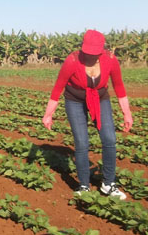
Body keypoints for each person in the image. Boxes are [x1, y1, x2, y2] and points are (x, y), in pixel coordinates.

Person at [42, 30, 132, 200]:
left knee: (109, 138)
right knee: (82, 142)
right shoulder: (73, 60)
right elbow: (58, 88)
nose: (90, 56)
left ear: (101, 50)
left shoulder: (110, 61)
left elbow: (119, 87)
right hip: (74, 100)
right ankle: (84, 185)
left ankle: (108, 183)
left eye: (94, 52)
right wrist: (48, 114)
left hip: (100, 98)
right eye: (87, 51)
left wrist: (127, 114)